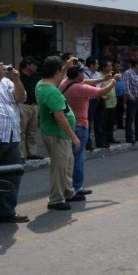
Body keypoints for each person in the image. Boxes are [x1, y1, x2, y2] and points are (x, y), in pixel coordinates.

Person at [0, 43, 29, 233]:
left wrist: (16, 80)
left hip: (11, 136)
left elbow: (20, 98)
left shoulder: (7, 81)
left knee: (11, 176)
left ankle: (7, 212)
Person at [60, 63, 118, 196]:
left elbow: (87, 81)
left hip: (67, 124)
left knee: (68, 159)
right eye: (82, 73)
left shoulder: (65, 83)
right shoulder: (80, 88)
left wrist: (103, 80)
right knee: (78, 158)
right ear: (77, 75)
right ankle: (77, 187)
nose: (83, 75)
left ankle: (67, 186)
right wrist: (113, 80)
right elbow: (101, 92)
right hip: (80, 125)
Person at [36, 55, 85, 211]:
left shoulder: (42, 84)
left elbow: (56, 79)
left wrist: (65, 67)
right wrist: (74, 136)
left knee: (67, 164)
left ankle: (68, 192)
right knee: (60, 168)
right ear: (57, 71)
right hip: (57, 134)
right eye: (61, 70)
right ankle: (56, 199)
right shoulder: (51, 92)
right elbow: (60, 117)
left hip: (56, 134)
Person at [18, 56, 44, 161]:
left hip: (34, 105)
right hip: (23, 105)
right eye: (33, 64)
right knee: (21, 130)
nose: (36, 67)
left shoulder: (36, 77)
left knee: (32, 131)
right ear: (27, 65)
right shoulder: (18, 77)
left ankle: (32, 153)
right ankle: (21, 154)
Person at [123, 60, 138, 144]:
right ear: (136, 65)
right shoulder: (128, 73)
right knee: (130, 119)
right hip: (133, 99)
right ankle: (129, 137)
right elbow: (126, 87)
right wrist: (131, 97)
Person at [83, 58, 101, 151]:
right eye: (96, 63)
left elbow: (100, 86)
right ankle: (87, 143)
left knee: (99, 122)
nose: (98, 65)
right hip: (89, 100)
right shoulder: (84, 75)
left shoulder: (98, 74)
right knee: (88, 123)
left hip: (98, 99)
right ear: (91, 65)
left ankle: (99, 141)